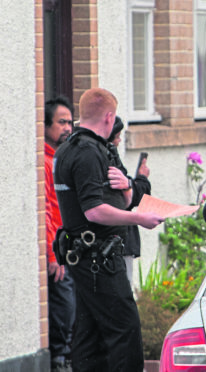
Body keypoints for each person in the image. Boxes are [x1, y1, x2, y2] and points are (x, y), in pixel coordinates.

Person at [53, 87, 164, 372]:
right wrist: (140, 219)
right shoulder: (89, 153)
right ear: (109, 117)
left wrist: (127, 186)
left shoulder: (69, 148)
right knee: (125, 331)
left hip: (86, 259)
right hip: (98, 260)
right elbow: (94, 210)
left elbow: (117, 200)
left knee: (89, 337)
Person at [45, 95, 76, 372]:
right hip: (56, 250)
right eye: (61, 122)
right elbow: (45, 211)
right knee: (64, 303)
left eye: (70, 122)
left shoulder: (61, 159)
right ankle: (60, 358)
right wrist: (54, 253)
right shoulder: (44, 162)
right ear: (46, 126)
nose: (67, 127)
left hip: (67, 246)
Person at [107, 116, 151, 284]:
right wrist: (141, 180)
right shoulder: (108, 158)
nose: (118, 141)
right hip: (119, 239)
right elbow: (129, 198)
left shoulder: (108, 155)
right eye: (117, 136)